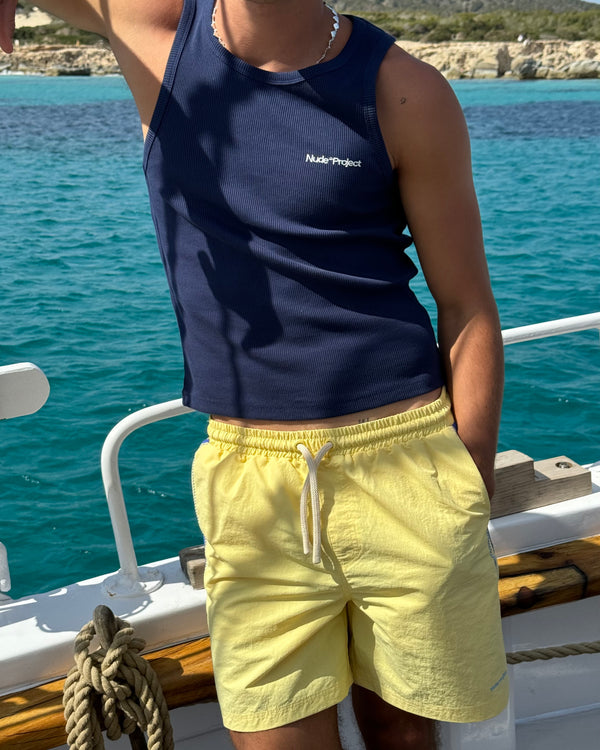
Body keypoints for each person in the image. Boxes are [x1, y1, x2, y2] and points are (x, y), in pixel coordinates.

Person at [1, 1, 508, 748]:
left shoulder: (405, 90)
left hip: (406, 460)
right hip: (249, 479)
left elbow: (466, 305)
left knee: (406, 735)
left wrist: (469, 488)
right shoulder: (157, 36)